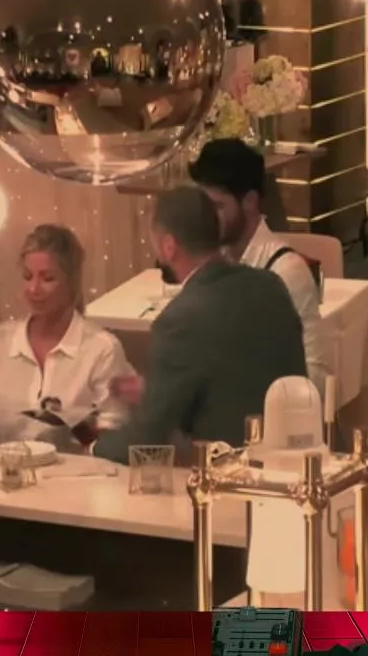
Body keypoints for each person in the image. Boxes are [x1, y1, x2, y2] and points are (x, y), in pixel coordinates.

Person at [97, 186, 308, 464]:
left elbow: (148, 440)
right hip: (298, 459)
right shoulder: (271, 285)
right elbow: (235, 377)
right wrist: (156, 391)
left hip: (230, 473)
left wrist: (94, 446)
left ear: (169, 246)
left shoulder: (179, 319)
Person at [0, 224, 134, 445]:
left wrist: (75, 437)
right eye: (28, 276)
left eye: (47, 278)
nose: (34, 289)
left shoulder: (102, 349)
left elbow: (116, 431)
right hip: (6, 466)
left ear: (71, 282)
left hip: (78, 467)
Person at [189, 139, 331, 396]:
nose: (205, 218)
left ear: (250, 202)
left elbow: (315, 376)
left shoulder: (286, 273)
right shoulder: (209, 263)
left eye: (217, 207)